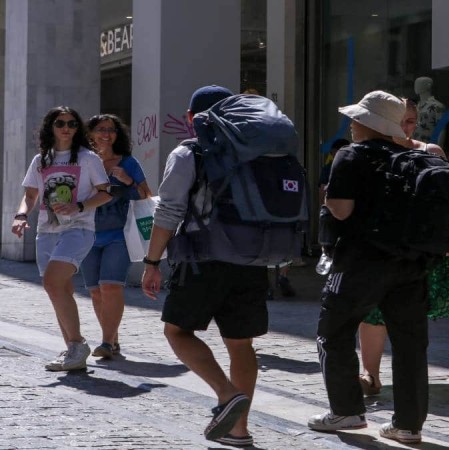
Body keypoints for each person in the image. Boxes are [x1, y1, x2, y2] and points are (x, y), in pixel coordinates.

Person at [141, 85, 265, 448]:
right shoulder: (257, 151)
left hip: (203, 258)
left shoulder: (189, 152)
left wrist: (152, 261)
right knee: (241, 345)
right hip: (252, 260)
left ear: (192, 119)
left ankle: (227, 395)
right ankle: (239, 431)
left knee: (177, 332)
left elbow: (169, 211)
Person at [308, 90, 430, 444]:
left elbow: (342, 210)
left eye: (355, 119)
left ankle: (346, 411)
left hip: (360, 261)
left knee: (334, 332)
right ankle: (408, 426)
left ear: (365, 123)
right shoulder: (414, 158)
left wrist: (331, 200)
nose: (351, 124)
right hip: (410, 263)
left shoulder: (351, 155)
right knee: (409, 344)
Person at [357, 98, 449, 397]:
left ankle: (407, 379)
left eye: (410, 121)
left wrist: (448, 239)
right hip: (380, 247)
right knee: (372, 311)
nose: (406, 127)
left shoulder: (430, 152)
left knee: (409, 314)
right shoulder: (370, 153)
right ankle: (370, 374)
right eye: (401, 121)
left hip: (419, 250)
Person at [12, 106, 111, 371]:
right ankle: (72, 352)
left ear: (78, 128)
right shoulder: (41, 160)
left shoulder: (88, 158)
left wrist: (79, 207)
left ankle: (78, 344)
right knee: (59, 290)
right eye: (60, 123)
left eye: (71, 123)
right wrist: (21, 216)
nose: (66, 128)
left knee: (53, 282)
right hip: (46, 231)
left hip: (78, 229)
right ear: (51, 127)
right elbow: (31, 195)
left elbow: (105, 193)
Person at [81, 114, 151, 359]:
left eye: (111, 129)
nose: (106, 134)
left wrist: (127, 179)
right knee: (95, 291)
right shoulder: (81, 161)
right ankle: (113, 338)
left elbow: (146, 195)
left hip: (118, 235)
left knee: (110, 286)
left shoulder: (128, 163)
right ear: (89, 134)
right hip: (86, 234)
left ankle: (107, 343)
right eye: (100, 129)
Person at [411, 77, 445, 143]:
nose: (416, 85)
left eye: (419, 83)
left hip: (428, 147)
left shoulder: (437, 106)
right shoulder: (415, 106)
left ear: (428, 85)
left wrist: (438, 149)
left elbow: (442, 130)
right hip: (413, 146)